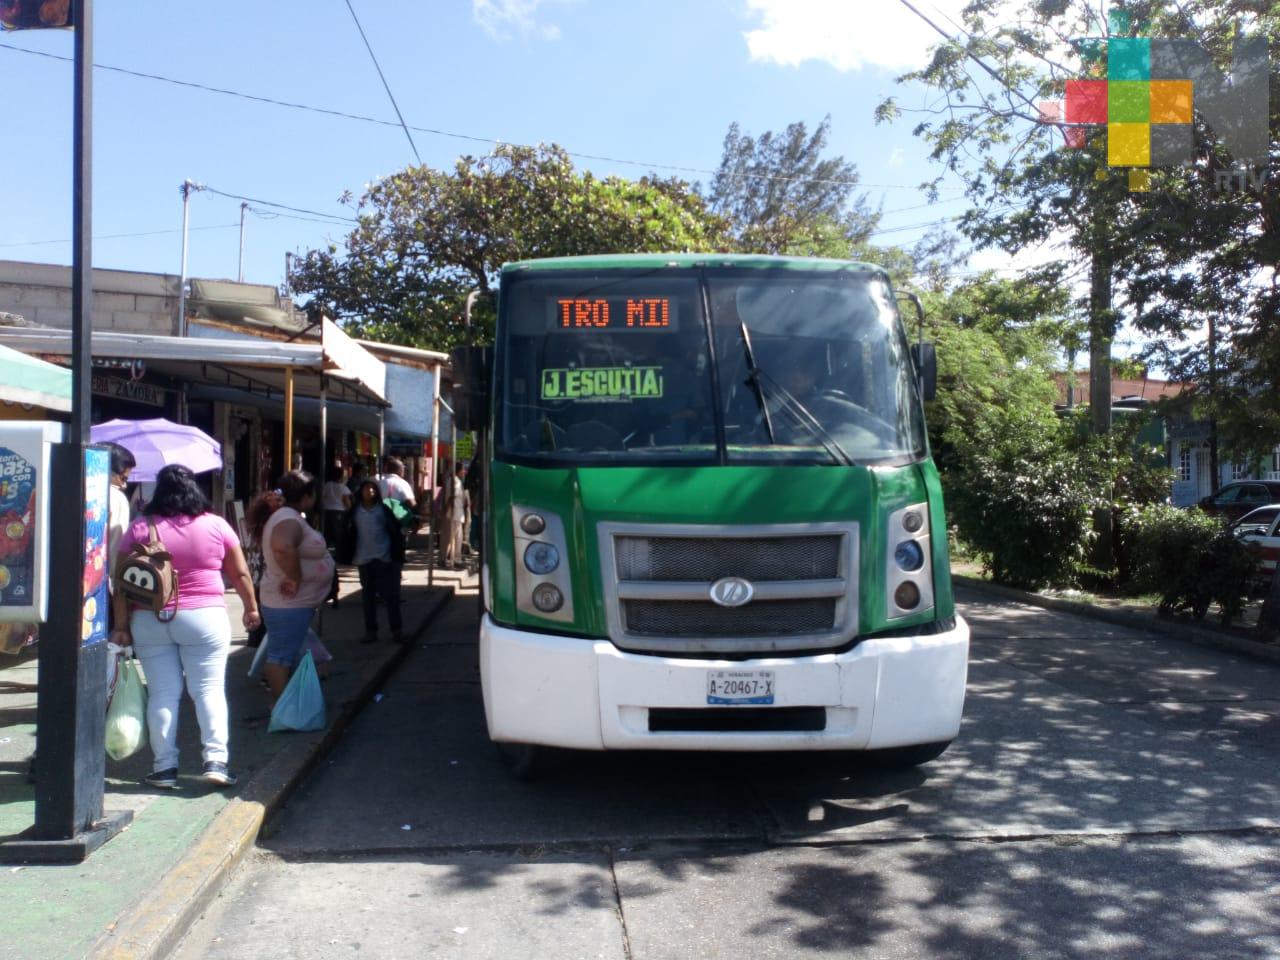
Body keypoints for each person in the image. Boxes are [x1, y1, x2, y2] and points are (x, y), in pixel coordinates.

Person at [109, 464, 259, 789]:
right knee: (207, 691)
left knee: (163, 694)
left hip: (150, 617)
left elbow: (121, 583)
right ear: (195, 490)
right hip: (204, 617)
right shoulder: (216, 525)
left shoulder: (140, 527)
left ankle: (164, 769)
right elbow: (240, 573)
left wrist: (121, 625)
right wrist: (251, 607)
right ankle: (216, 761)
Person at [250, 470, 334, 704]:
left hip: (290, 603)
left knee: (283, 652)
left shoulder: (287, 515)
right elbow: (283, 547)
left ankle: (287, 704)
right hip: (288, 603)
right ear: (307, 495)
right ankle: (282, 708)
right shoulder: (287, 518)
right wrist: (294, 578)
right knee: (280, 656)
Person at [338, 479, 406, 644]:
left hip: (384, 558)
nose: (370, 492)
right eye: (366, 489)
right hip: (363, 558)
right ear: (360, 492)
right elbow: (347, 533)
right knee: (368, 597)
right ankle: (371, 630)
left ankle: (396, 630)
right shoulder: (354, 512)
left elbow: (396, 530)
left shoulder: (383, 510)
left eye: (373, 489)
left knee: (391, 596)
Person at [320, 464, 352, 548]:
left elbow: (322, 497)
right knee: (339, 534)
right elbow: (346, 501)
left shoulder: (327, 485)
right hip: (339, 512)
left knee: (326, 533)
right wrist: (350, 510)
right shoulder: (343, 487)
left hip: (326, 511)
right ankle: (339, 552)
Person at [444, 463, 469, 569]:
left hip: (456, 513)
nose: (464, 472)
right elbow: (452, 496)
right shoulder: (456, 481)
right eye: (463, 470)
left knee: (453, 538)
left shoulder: (452, 480)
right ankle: (455, 560)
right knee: (455, 538)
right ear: (458, 471)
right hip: (455, 513)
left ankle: (449, 559)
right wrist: (446, 509)